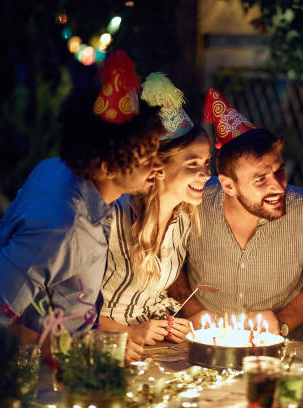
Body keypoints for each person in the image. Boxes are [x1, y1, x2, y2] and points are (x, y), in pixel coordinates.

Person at [0, 51, 165, 344]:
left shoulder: (61, 172)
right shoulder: (61, 226)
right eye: (146, 157)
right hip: (40, 380)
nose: (159, 167)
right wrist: (91, 353)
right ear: (106, 165)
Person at [168, 88, 303, 341]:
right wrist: (196, 313)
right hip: (201, 345)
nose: (278, 186)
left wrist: (281, 323)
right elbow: (171, 265)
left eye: (279, 171)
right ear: (228, 185)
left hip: (280, 352)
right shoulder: (193, 203)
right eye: (260, 179)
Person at [99, 73, 212, 363]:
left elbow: (151, 295)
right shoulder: (115, 213)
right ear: (158, 165)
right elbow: (73, 308)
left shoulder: (184, 218)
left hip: (146, 354)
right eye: (193, 164)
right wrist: (128, 331)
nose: (206, 174)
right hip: (100, 350)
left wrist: (170, 322)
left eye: (207, 163)